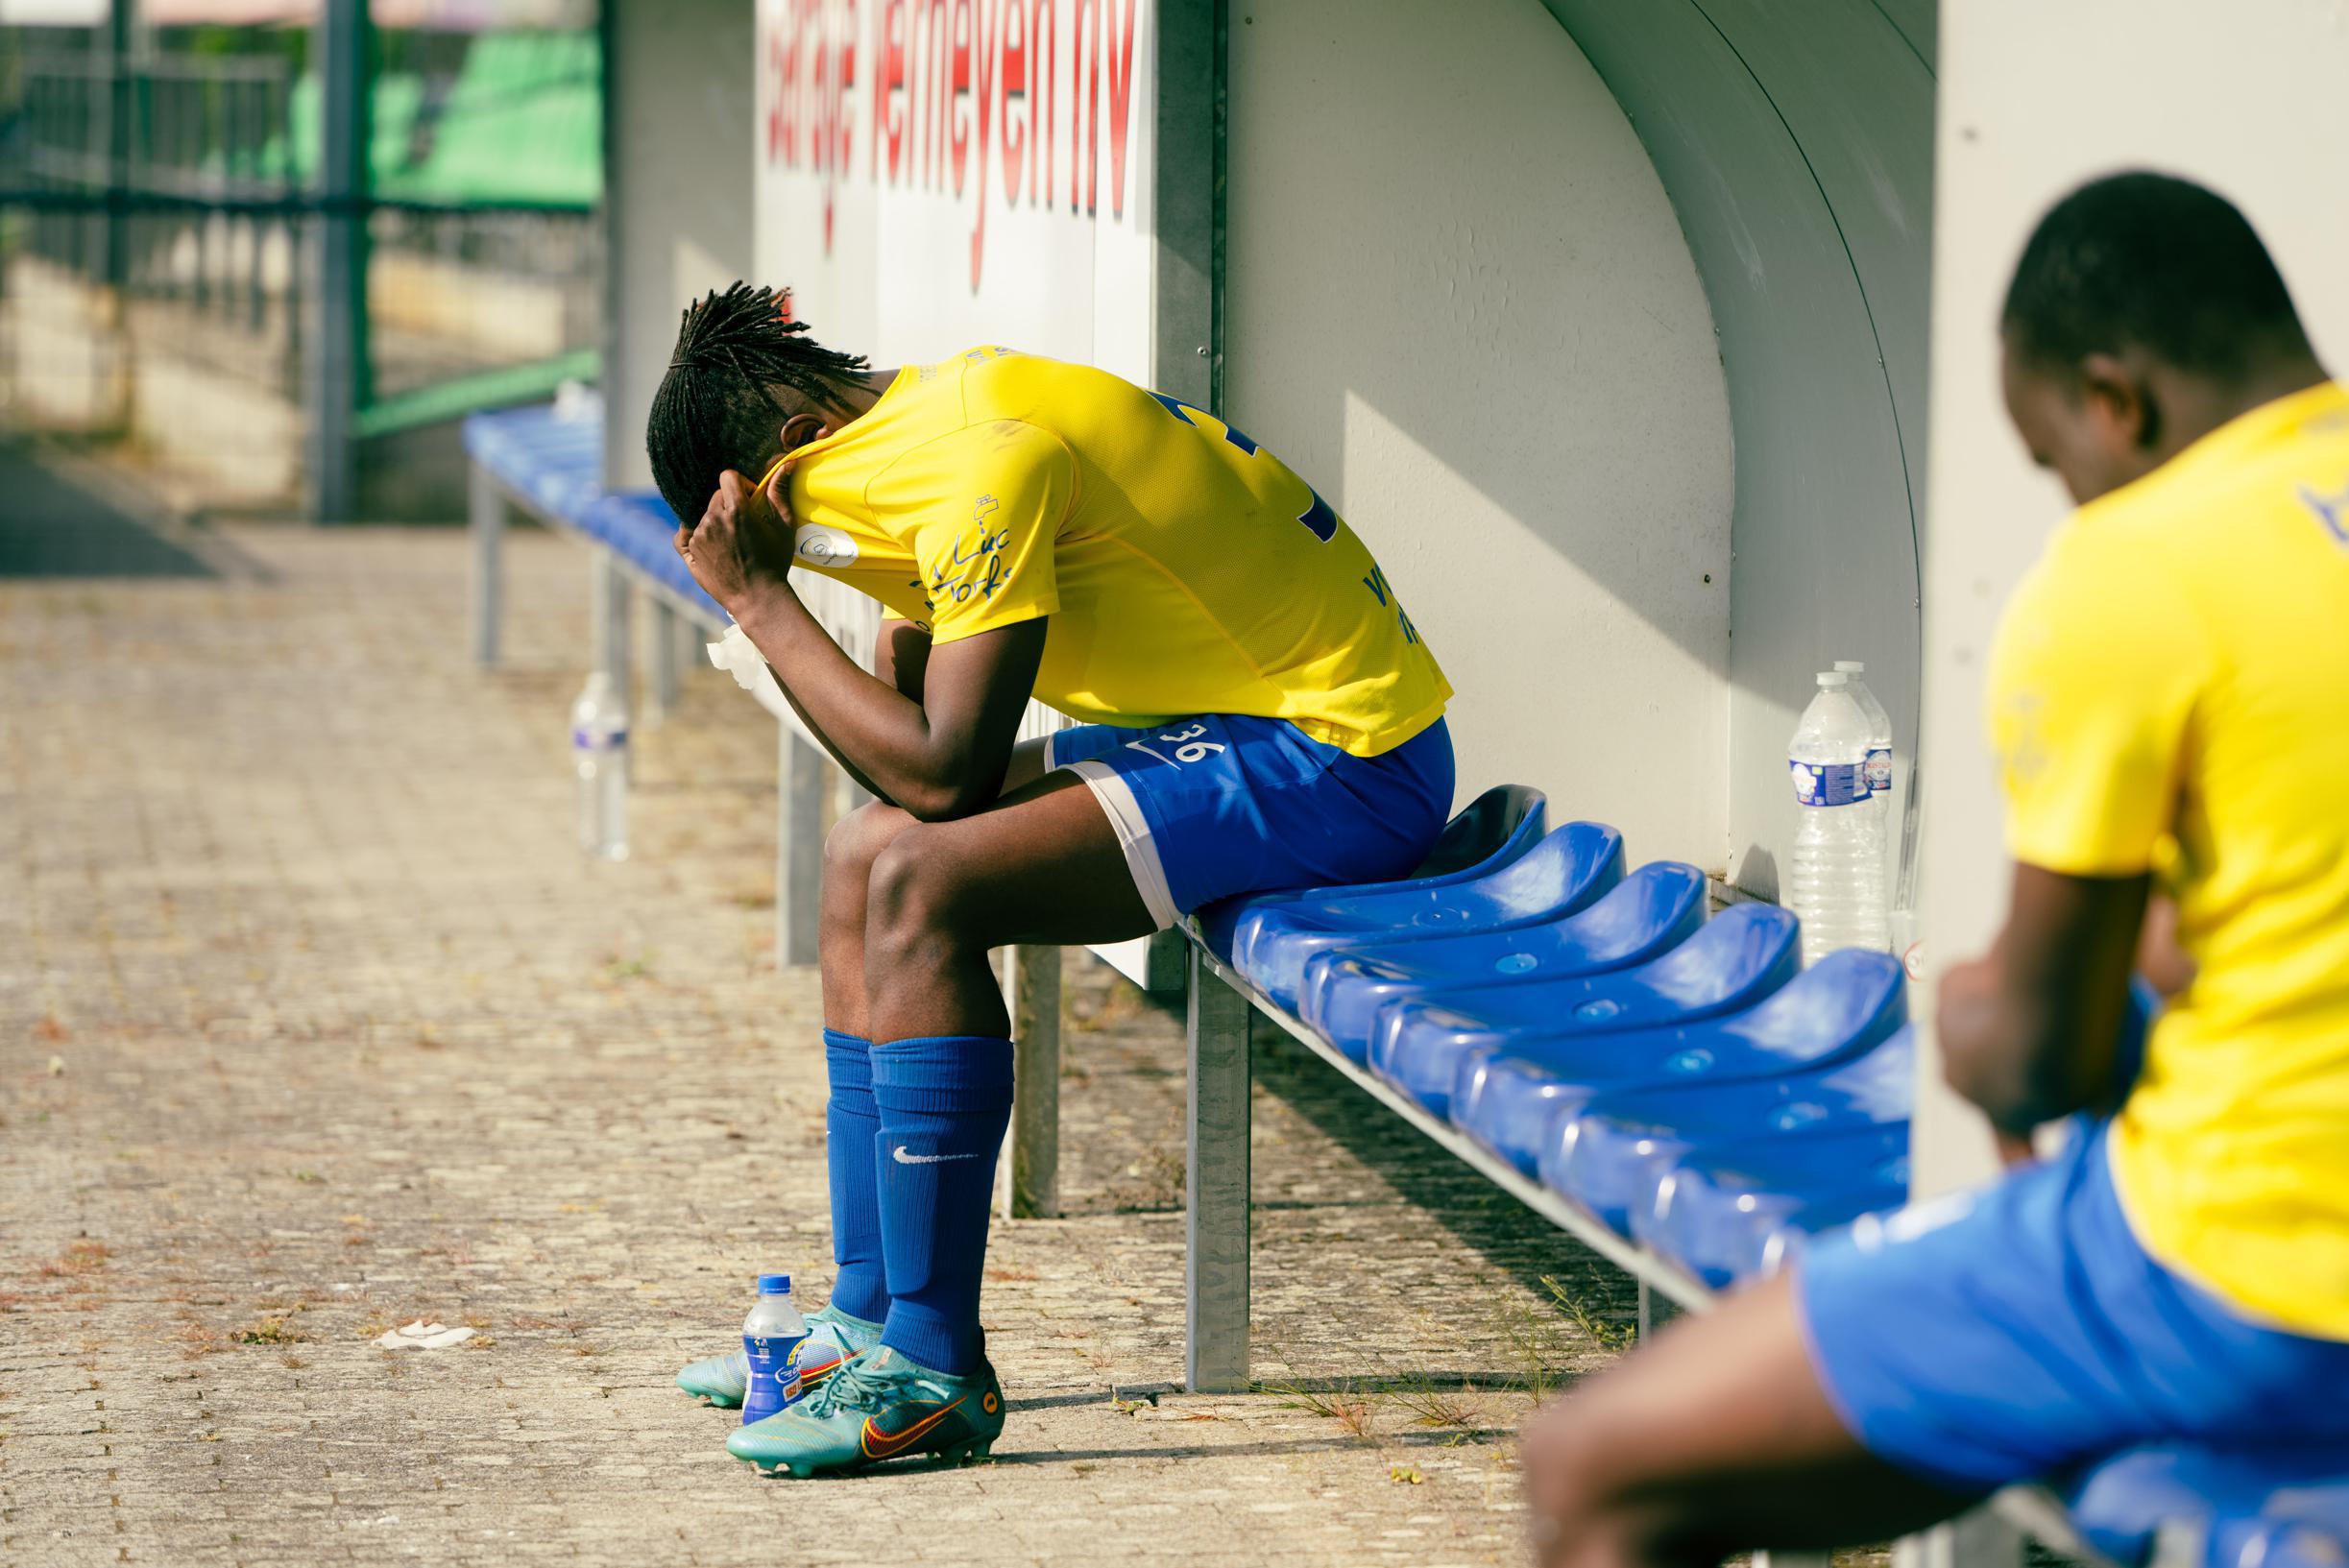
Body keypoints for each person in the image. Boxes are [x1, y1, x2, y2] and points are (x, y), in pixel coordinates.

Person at [1518, 170, 2349, 1565]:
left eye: (2051, 459)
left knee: (1593, 1467)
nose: (2066, 496)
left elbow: (2031, 1063)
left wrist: (1966, 1010)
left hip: (2255, 1276)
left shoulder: (2134, 571)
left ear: (2113, 400)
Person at [646, 287, 1457, 1476]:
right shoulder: (919, 419)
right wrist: (892, 616)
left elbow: (942, 774)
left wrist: (763, 599)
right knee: (858, 855)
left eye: (779, 526)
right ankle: (866, 1315)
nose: (807, 539)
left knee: (921, 879)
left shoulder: (964, 467)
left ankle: (934, 1370)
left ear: (784, 462)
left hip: (1346, 758)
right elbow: (924, 728)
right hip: (1243, 723)